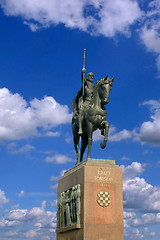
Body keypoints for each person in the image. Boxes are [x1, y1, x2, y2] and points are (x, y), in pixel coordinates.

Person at [77, 70, 94, 134]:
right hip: (85, 102)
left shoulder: (94, 86)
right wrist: (82, 72)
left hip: (92, 103)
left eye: (92, 76)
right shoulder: (86, 84)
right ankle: (80, 128)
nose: (91, 77)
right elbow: (82, 78)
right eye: (90, 76)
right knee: (81, 111)